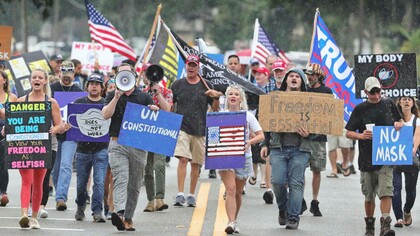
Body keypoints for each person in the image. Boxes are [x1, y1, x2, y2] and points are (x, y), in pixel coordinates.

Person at [102, 63, 159, 231]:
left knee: (134, 184)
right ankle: (119, 213)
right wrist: (116, 97)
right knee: (120, 178)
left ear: (135, 76)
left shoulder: (143, 97)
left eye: (127, 74)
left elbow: (153, 118)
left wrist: (153, 110)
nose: (124, 77)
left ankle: (128, 218)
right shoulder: (112, 95)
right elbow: (105, 114)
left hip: (138, 145)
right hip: (117, 142)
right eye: (121, 74)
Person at [346, 76, 403, 236]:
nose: (376, 95)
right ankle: (369, 225)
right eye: (372, 93)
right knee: (369, 194)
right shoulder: (360, 109)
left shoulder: (389, 104)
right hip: (367, 158)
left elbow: (400, 122)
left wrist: (399, 124)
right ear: (365, 92)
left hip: (385, 157)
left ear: (381, 90)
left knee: (386, 191)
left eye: (378, 91)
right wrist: (361, 136)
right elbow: (348, 132)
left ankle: (385, 224)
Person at [16, 68, 67, 229]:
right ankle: (24, 214)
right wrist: (7, 130)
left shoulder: (51, 102)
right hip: (24, 145)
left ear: (45, 81)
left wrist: (55, 129)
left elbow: (59, 124)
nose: (37, 80)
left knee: (38, 182)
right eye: (34, 77)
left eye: (40, 77)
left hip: (44, 146)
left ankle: (35, 217)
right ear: (30, 81)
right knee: (26, 180)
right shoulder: (20, 101)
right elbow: (14, 123)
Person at [261, 68, 310, 230]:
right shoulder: (275, 99)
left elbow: (322, 126)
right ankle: (283, 208)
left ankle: (293, 217)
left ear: (302, 82)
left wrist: (310, 133)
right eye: (291, 76)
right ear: (286, 81)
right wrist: (264, 144)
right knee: (277, 182)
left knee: (296, 183)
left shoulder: (311, 101)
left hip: (300, 149)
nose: (294, 78)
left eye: (297, 76)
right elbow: (267, 123)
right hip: (278, 148)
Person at [172, 54, 222, 207]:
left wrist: (216, 98)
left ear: (198, 67)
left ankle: (191, 194)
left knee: (195, 163)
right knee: (183, 159)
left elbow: (215, 109)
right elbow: (171, 106)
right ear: (186, 66)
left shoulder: (206, 84)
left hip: (200, 128)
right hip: (182, 127)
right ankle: (180, 194)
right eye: (189, 65)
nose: (191, 67)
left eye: (194, 65)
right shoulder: (177, 84)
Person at [219, 85, 264, 234]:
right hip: (225, 156)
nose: (233, 96)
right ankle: (230, 222)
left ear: (241, 98)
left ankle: (234, 220)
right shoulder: (220, 115)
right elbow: (212, 134)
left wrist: (249, 142)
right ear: (227, 98)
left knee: (238, 192)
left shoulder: (248, 116)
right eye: (230, 94)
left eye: (236, 94)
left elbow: (260, 135)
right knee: (230, 189)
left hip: (244, 156)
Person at [74, 73, 109, 222]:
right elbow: (71, 123)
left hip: (101, 149)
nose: (94, 86)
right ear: (87, 86)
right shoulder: (78, 102)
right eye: (91, 83)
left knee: (99, 182)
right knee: (81, 183)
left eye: (97, 84)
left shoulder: (107, 104)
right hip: (82, 150)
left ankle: (97, 211)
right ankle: (80, 206)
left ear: (102, 88)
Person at [50, 60, 83, 211]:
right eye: (64, 72)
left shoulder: (78, 90)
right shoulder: (52, 88)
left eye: (69, 72)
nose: (66, 75)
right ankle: (59, 192)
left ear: (74, 73)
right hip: (55, 133)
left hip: (71, 133)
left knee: (65, 165)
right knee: (55, 168)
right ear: (59, 72)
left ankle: (60, 197)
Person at [302, 63, 333, 217]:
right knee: (299, 169)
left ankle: (315, 201)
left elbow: (330, 114)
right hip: (301, 135)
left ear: (319, 76)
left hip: (318, 138)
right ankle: (299, 199)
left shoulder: (326, 91)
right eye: (308, 74)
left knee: (317, 170)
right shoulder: (303, 89)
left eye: (312, 74)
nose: (309, 77)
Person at [142, 65, 173, 212]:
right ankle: (150, 200)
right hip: (145, 134)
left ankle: (160, 198)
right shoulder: (140, 93)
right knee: (147, 168)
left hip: (161, 132)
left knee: (159, 165)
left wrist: (158, 94)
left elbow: (167, 109)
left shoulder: (167, 92)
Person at [392, 96, 420, 228]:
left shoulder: (417, 120)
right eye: (404, 99)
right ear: (399, 102)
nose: (407, 101)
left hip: (411, 158)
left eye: (410, 99)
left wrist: (413, 150)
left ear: (413, 103)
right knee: (395, 188)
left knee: (411, 190)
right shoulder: (393, 119)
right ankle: (398, 217)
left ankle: (407, 210)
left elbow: (417, 136)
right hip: (395, 158)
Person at [0, 70, 18, 207]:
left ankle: (3, 193)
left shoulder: (11, 97)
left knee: (2, 163)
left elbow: (12, 116)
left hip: (3, 132)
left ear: (4, 81)